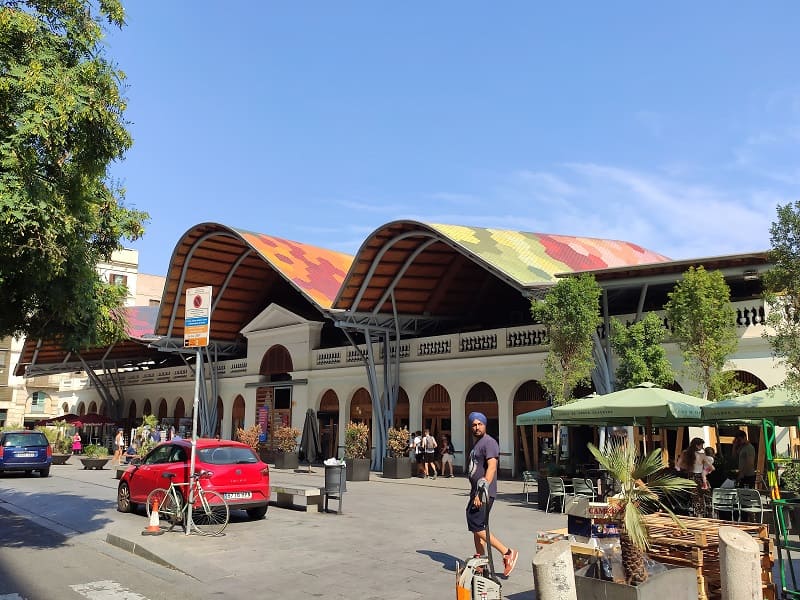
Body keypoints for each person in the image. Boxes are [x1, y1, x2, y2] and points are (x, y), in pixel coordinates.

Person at [466, 411, 518, 577]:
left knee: (475, 524)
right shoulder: (477, 444)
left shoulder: (489, 443)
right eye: (474, 424)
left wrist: (481, 491)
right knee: (477, 527)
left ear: (485, 425)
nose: (477, 427)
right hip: (476, 492)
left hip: (484, 493)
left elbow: (492, 467)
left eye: (479, 424)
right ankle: (481, 562)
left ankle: (507, 552)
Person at [677, 437, 708, 516]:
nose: (702, 447)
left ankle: (698, 514)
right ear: (697, 445)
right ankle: (704, 515)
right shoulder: (700, 454)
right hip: (700, 477)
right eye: (701, 445)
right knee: (704, 497)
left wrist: (688, 468)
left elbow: (679, 465)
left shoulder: (685, 453)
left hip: (691, 477)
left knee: (695, 498)